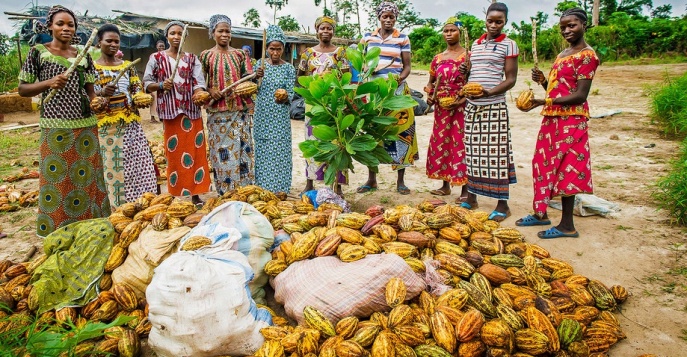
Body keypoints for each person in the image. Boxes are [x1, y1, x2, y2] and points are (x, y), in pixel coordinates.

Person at [17, 5, 111, 237]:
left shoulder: (83, 54)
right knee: (57, 179)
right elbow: (23, 89)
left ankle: (89, 225)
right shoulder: (39, 52)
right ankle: (58, 228)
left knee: (88, 177)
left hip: (85, 125)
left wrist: (100, 99)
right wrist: (48, 83)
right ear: (50, 26)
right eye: (60, 24)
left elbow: (90, 93)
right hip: (55, 125)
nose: (66, 28)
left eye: (70, 24)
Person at [515, 8, 600, 239]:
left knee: (566, 170)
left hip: (572, 120)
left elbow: (580, 95)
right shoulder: (563, 54)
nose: (567, 30)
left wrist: (544, 100)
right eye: (563, 27)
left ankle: (567, 226)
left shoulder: (587, 56)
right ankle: (541, 212)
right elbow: (559, 89)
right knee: (541, 164)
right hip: (552, 118)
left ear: (584, 24)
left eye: (572, 25)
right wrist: (544, 82)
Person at [459, 2, 519, 221]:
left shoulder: (509, 45)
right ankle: (472, 198)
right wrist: (467, 73)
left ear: (505, 22)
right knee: (473, 154)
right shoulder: (475, 44)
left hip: (494, 106)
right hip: (472, 106)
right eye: (490, 21)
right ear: (485, 20)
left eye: (499, 22)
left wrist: (489, 93)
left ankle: (503, 205)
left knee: (496, 156)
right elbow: (473, 76)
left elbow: (511, 79)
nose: (494, 25)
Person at [143, 20, 211, 205]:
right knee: (174, 154)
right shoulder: (156, 58)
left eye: (180, 33)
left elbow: (198, 82)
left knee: (195, 152)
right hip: (171, 113)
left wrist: (199, 93)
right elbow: (147, 83)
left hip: (191, 111)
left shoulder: (191, 58)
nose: (176, 36)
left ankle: (195, 193)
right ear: (166, 36)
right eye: (172, 33)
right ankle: (175, 192)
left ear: (184, 37)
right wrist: (160, 85)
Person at [93, 24, 158, 208]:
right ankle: (121, 208)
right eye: (109, 41)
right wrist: (102, 93)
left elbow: (136, 88)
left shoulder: (128, 67)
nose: (113, 44)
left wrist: (140, 98)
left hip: (131, 125)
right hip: (108, 128)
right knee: (115, 169)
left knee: (139, 165)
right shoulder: (93, 68)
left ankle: (144, 204)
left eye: (116, 41)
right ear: (99, 42)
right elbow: (90, 96)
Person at [358, 1, 418, 195]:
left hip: (396, 92)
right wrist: (364, 72)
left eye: (391, 17)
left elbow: (407, 66)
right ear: (379, 18)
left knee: (401, 132)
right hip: (374, 92)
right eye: (385, 16)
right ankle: (372, 179)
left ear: (395, 19)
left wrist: (399, 79)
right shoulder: (368, 37)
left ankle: (400, 181)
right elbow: (359, 62)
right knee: (372, 133)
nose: (388, 20)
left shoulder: (402, 38)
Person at [200, 15, 256, 195]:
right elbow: (200, 82)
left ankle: (244, 191)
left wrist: (254, 77)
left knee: (243, 149)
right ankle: (226, 192)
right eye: (220, 31)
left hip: (240, 111)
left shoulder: (241, 54)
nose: (225, 34)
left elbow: (249, 77)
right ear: (212, 33)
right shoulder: (206, 55)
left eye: (228, 31)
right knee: (222, 152)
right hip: (218, 114)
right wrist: (210, 90)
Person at [297, 16, 349, 196]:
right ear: (316, 30)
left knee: (336, 141)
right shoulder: (308, 54)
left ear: (333, 31)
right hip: (314, 104)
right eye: (322, 28)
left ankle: (338, 184)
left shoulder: (341, 52)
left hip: (334, 103)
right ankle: (310, 182)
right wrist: (312, 85)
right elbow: (300, 77)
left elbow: (346, 77)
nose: (326, 32)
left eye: (329, 28)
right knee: (313, 141)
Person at [425, 17, 469, 201]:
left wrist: (460, 100)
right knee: (441, 143)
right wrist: (429, 94)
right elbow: (431, 81)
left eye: (453, 30)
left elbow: (472, 83)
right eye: (446, 31)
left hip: (460, 107)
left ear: (460, 32)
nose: (449, 34)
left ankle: (465, 191)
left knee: (460, 144)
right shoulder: (438, 58)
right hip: (441, 108)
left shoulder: (467, 56)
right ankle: (445, 185)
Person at [253, 25, 296, 193]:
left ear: (283, 49)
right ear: (267, 48)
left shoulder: (289, 68)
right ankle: (263, 187)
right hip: (263, 115)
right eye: (272, 49)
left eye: (279, 49)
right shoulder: (260, 65)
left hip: (280, 116)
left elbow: (291, 93)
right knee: (263, 150)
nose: (276, 53)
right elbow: (254, 88)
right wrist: (256, 77)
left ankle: (281, 189)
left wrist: (285, 96)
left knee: (281, 151)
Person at [149, 40, 166, 123]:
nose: (161, 47)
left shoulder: (166, 55)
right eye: (160, 46)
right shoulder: (153, 56)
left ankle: (162, 116)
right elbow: (151, 68)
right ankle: (152, 117)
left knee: (163, 99)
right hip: (155, 80)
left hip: (164, 80)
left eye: (162, 46)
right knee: (154, 99)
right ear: (156, 46)